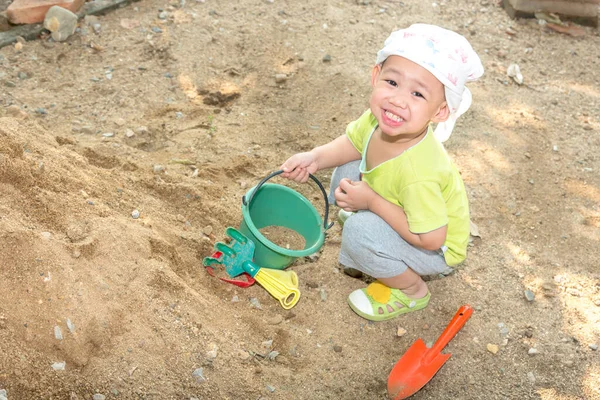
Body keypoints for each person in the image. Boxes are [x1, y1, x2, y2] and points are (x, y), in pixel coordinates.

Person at [280, 24, 484, 321]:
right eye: (391, 82)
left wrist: (372, 203)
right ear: (376, 76)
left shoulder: (419, 172)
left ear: (440, 111)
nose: (398, 100)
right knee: (347, 169)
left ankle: (412, 290)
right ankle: (375, 228)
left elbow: (431, 239)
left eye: (417, 93)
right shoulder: (379, 121)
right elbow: (353, 143)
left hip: (434, 248)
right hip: (404, 209)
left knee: (359, 233)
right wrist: (314, 158)